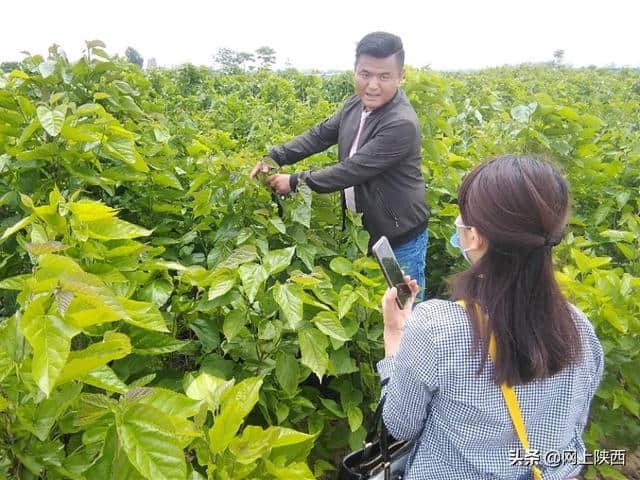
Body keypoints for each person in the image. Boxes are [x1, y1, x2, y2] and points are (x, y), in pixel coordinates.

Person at [377, 155, 604, 479]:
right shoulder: (579, 329)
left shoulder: (435, 328)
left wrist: (396, 337)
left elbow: (400, 425)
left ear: (474, 236)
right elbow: (572, 425)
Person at [250, 32, 429, 300]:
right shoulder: (356, 104)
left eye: (384, 76)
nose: (372, 85)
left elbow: (352, 170)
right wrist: (274, 157)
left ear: (401, 76)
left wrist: (295, 181)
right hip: (366, 232)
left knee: (405, 310)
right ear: (355, 70)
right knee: (373, 307)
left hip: (399, 239)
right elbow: (320, 135)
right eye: (365, 74)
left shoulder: (400, 123)